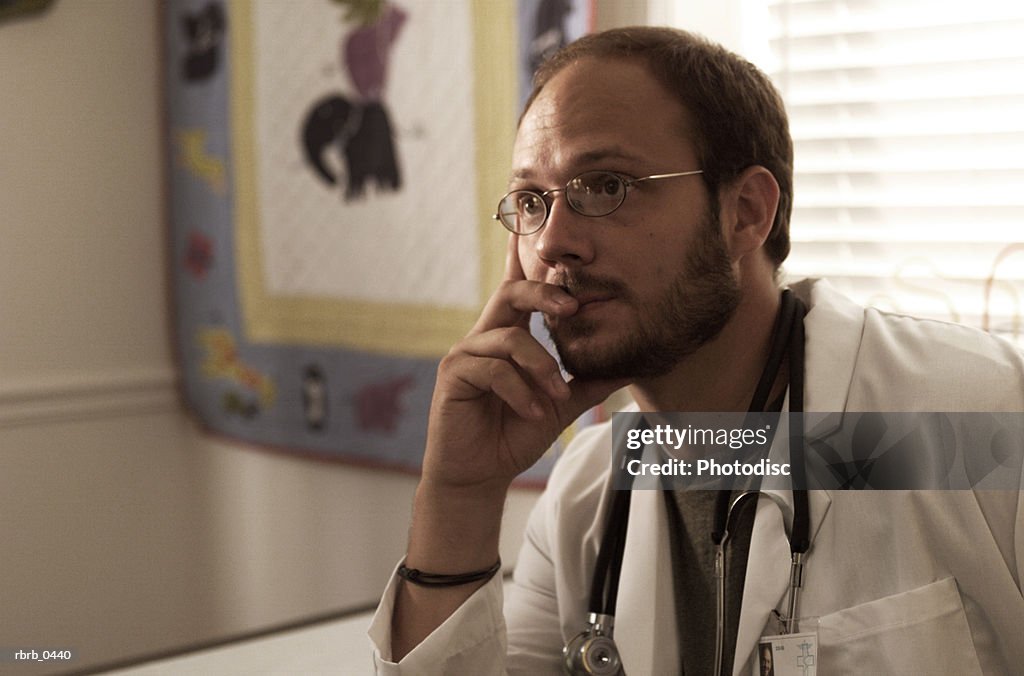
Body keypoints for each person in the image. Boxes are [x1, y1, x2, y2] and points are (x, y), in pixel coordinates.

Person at [368, 26, 1024, 674]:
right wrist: (461, 496)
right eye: (532, 201)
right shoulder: (587, 496)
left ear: (745, 212)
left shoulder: (981, 421)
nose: (550, 243)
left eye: (605, 186)